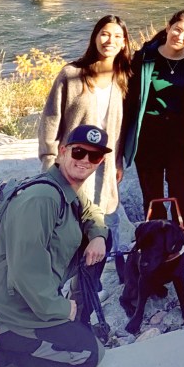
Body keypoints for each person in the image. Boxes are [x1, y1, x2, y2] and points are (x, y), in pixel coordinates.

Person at [0, 125, 110, 367]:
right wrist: (61, 308)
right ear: (62, 152)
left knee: (106, 235)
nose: (85, 161)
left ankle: (68, 321)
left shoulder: (64, 187)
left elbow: (90, 210)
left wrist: (98, 236)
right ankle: (6, 349)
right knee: (88, 354)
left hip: (32, 298)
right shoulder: (42, 198)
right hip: (13, 309)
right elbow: (25, 270)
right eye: (78, 152)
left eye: (94, 156)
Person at [121, 10, 184, 269]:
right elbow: (128, 99)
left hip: (180, 138)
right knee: (152, 196)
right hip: (148, 137)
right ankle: (156, 247)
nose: (180, 36)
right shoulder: (144, 57)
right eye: (177, 29)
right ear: (168, 26)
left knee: (182, 193)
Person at [38, 15, 132, 253]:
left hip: (105, 160)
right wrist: (50, 158)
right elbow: (51, 118)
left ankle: (100, 270)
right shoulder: (72, 74)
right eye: (105, 33)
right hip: (74, 158)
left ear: (124, 43)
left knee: (106, 216)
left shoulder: (124, 77)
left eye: (117, 36)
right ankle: (73, 278)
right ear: (95, 36)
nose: (110, 40)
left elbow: (122, 127)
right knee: (73, 218)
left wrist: (118, 161)